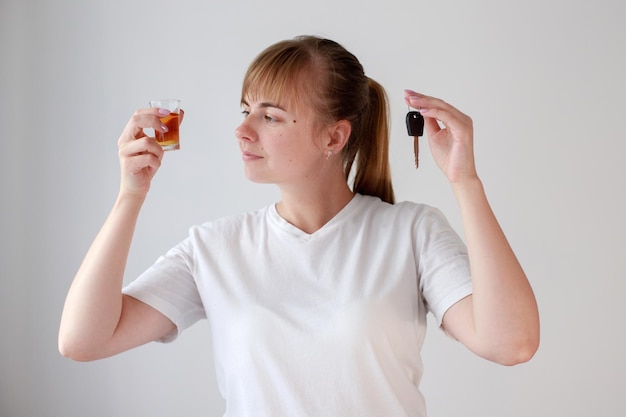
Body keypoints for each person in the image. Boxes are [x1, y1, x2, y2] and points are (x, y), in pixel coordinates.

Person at [59, 35, 539, 416]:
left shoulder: (411, 233)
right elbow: (83, 340)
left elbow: (512, 343)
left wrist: (465, 182)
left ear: (334, 135)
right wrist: (130, 197)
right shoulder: (214, 248)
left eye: (270, 116)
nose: (243, 130)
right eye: (246, 110)